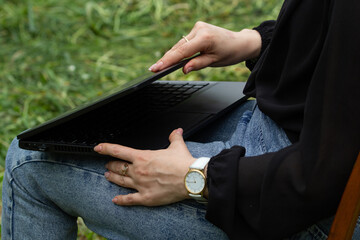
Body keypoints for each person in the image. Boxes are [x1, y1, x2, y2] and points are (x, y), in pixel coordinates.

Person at [2, 0, 360, 239]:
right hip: (289, 134)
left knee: (30, 163)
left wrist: (197, 177)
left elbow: (325, 176)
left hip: (301, 203)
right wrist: (254, 41)